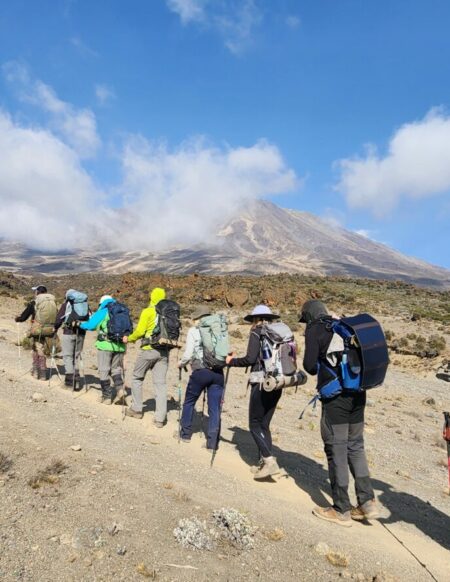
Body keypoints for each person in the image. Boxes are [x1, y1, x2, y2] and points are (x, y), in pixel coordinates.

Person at [300, 299, 378, 527]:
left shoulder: (316, 328)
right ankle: (367, 502)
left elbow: (310, 366)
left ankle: (341, 509)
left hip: (336, 398)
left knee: (336, 449)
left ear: (309, 316)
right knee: (356, 446)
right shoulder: (341, 325)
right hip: (358, 393)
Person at [226, 305, 282, 480]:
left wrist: (231, 361)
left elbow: (250, 359)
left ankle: (269, 461)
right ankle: (263, 462)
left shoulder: (257, 332)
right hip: (278, 382)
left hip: (260, 382)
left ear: (255, 319)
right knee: (265, 424)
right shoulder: (278, 333)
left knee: (254, 424)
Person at [177, 305, 225, 450]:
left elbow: (188, 353)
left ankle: (185, 434)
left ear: (198, 318)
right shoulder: (220, 329)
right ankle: (212, 443)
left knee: (189, 402)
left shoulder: (194, 331)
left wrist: (181, 363)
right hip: (218, 372)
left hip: (200, 371)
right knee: (215, 409)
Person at [123, 288, 169, 427]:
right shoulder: (168, 312)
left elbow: (140, 331)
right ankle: (160, 418)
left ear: (152, 297)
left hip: (149, 350)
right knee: (160, 384)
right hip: (164, 352)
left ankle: (137, 409)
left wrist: (129, 339)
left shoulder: (148, 311)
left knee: (137, 377)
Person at [79, 295, 126, 404]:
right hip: (120, 345)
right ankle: (120, 390)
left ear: (102, 303)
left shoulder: (104, 311)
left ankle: (107, 397)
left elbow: (91, 325)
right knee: (116, 369)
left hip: (105, 345)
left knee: (104, 370)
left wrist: (80, 325)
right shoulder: (122, 310)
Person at [15, 285, 57, 381]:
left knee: (36, 348)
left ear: (37, 293)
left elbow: (24, 316)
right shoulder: (51, 303)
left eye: (35, 292)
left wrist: (18, 319)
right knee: (42, 347)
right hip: (49, 329)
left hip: (37, 329)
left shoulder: (34, 303)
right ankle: (40, 370)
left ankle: (39, 372)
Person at [54, 289, 90, 390]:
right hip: (81, 333)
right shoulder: (85, 304)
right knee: (76, 356)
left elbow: (59, 318)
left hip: (69, 332)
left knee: (68, 356)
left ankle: (69, 383)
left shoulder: (67, 304)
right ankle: (77, 381)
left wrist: (55, 328)